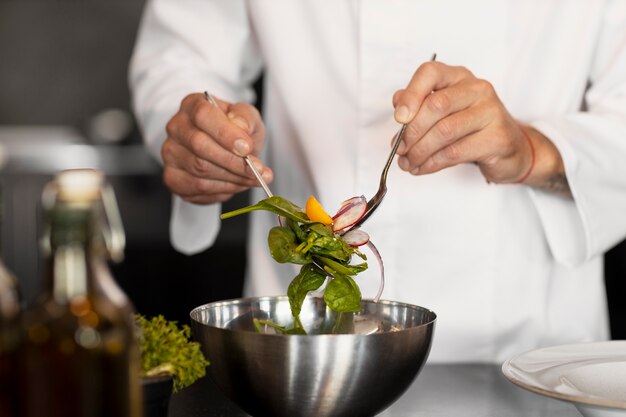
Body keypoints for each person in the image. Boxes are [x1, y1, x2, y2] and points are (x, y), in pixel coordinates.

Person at [129, 1, 626, 363]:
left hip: (534, 355)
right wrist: (201, 131)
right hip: (300, 356)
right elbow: (182, 55)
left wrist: (530, 150)